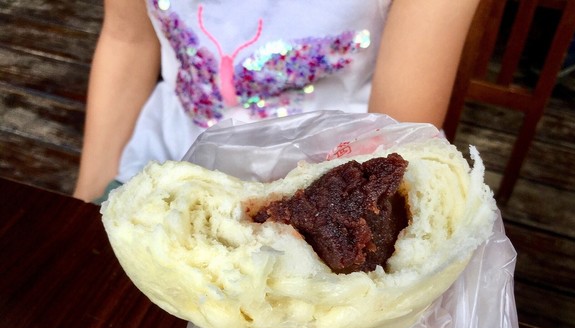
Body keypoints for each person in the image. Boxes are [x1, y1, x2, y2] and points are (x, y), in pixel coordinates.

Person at [73, 0, 481, 203]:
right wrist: (85, 199)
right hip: (156, 168)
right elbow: (127, 39)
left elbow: (397, 134)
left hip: (327, 196)